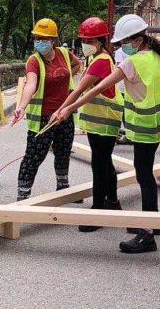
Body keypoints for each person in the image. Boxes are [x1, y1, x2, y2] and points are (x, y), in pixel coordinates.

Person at [54, 14, 160, 254]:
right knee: (146, 172)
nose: (121, 45)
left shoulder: (131, 63)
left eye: (124, 41)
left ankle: (148, 235)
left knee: (144, 175)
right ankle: (154, 225)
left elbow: (100, 88)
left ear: (136, 40)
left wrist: (69, 108)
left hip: (145, 127)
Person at [52, 17, 124, 232]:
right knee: (104, 162)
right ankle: (113, 202)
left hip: (104, 121)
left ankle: (98, 210)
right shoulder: (99, 58)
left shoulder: (101, 61)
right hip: (102, 121)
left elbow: (78, 90)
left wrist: (62, 109)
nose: (85, 44)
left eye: (89, 40)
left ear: (101, 41)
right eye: (84, 39)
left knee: (99, 165)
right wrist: (62, 109)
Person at [11, 18, 81, 201]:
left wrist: (65, 78)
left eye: (44, 38)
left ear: (53, 40)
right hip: (43, 117)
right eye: (37, 38)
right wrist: (21, 107)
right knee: (34, 156)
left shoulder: (64, 54)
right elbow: (30, 84)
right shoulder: (34, 61)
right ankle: (23, 195)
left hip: (64, 114)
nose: (39, 42)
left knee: (63, 151)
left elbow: (77, 64)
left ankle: (63, 187)